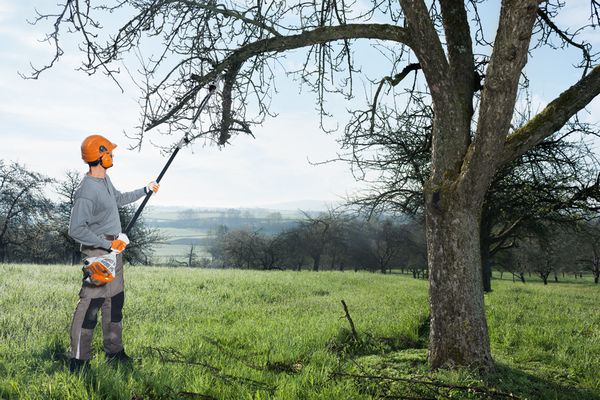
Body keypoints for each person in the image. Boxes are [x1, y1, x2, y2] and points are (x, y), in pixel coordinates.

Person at [67, 134, 159, 373]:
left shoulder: (105, 180)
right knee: (91, 306)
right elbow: (76, 229)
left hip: (114, 251)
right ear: (100, 156)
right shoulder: (86, 191)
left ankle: (114, 352)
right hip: (99, 253)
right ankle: (79, 361)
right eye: (109, 152)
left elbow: (118, 199)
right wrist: (108, 245)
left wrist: (145, 190)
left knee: (114, 303)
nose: (113, 156)